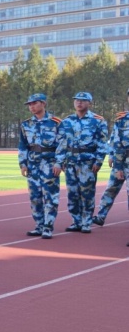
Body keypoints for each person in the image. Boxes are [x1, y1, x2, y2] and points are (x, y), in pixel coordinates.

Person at [53, 91, 108, 234]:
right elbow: (61, 143)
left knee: (87, 193)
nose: (79, 102)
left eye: (83, 100)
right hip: (70, 162)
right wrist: (59, 161)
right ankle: (76, 221)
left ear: (89, 103)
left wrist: (99, 161)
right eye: (77, 100)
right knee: (73, 194)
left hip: (87, 162)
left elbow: (102, 143)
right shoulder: (67, 121)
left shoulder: (98, 121)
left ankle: (86, 222)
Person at [17, 93, 61, 239]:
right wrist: (22, 163)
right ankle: (39, 225)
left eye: (34, 103)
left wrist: (59, 163)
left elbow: (63, 145)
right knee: (35, 196)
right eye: (29, 104)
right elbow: (23, 145)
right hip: (33, 165)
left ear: (43, 103)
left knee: (50, 196)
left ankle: (48, 227)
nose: (31, 106)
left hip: (50, 164)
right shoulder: (26, 124)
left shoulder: (56, 123)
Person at [92, 89, 129, 230]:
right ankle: (101, 216)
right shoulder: (122, 120)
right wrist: (113, 157)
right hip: (121, 160)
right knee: (111, 189)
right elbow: (115, 141)